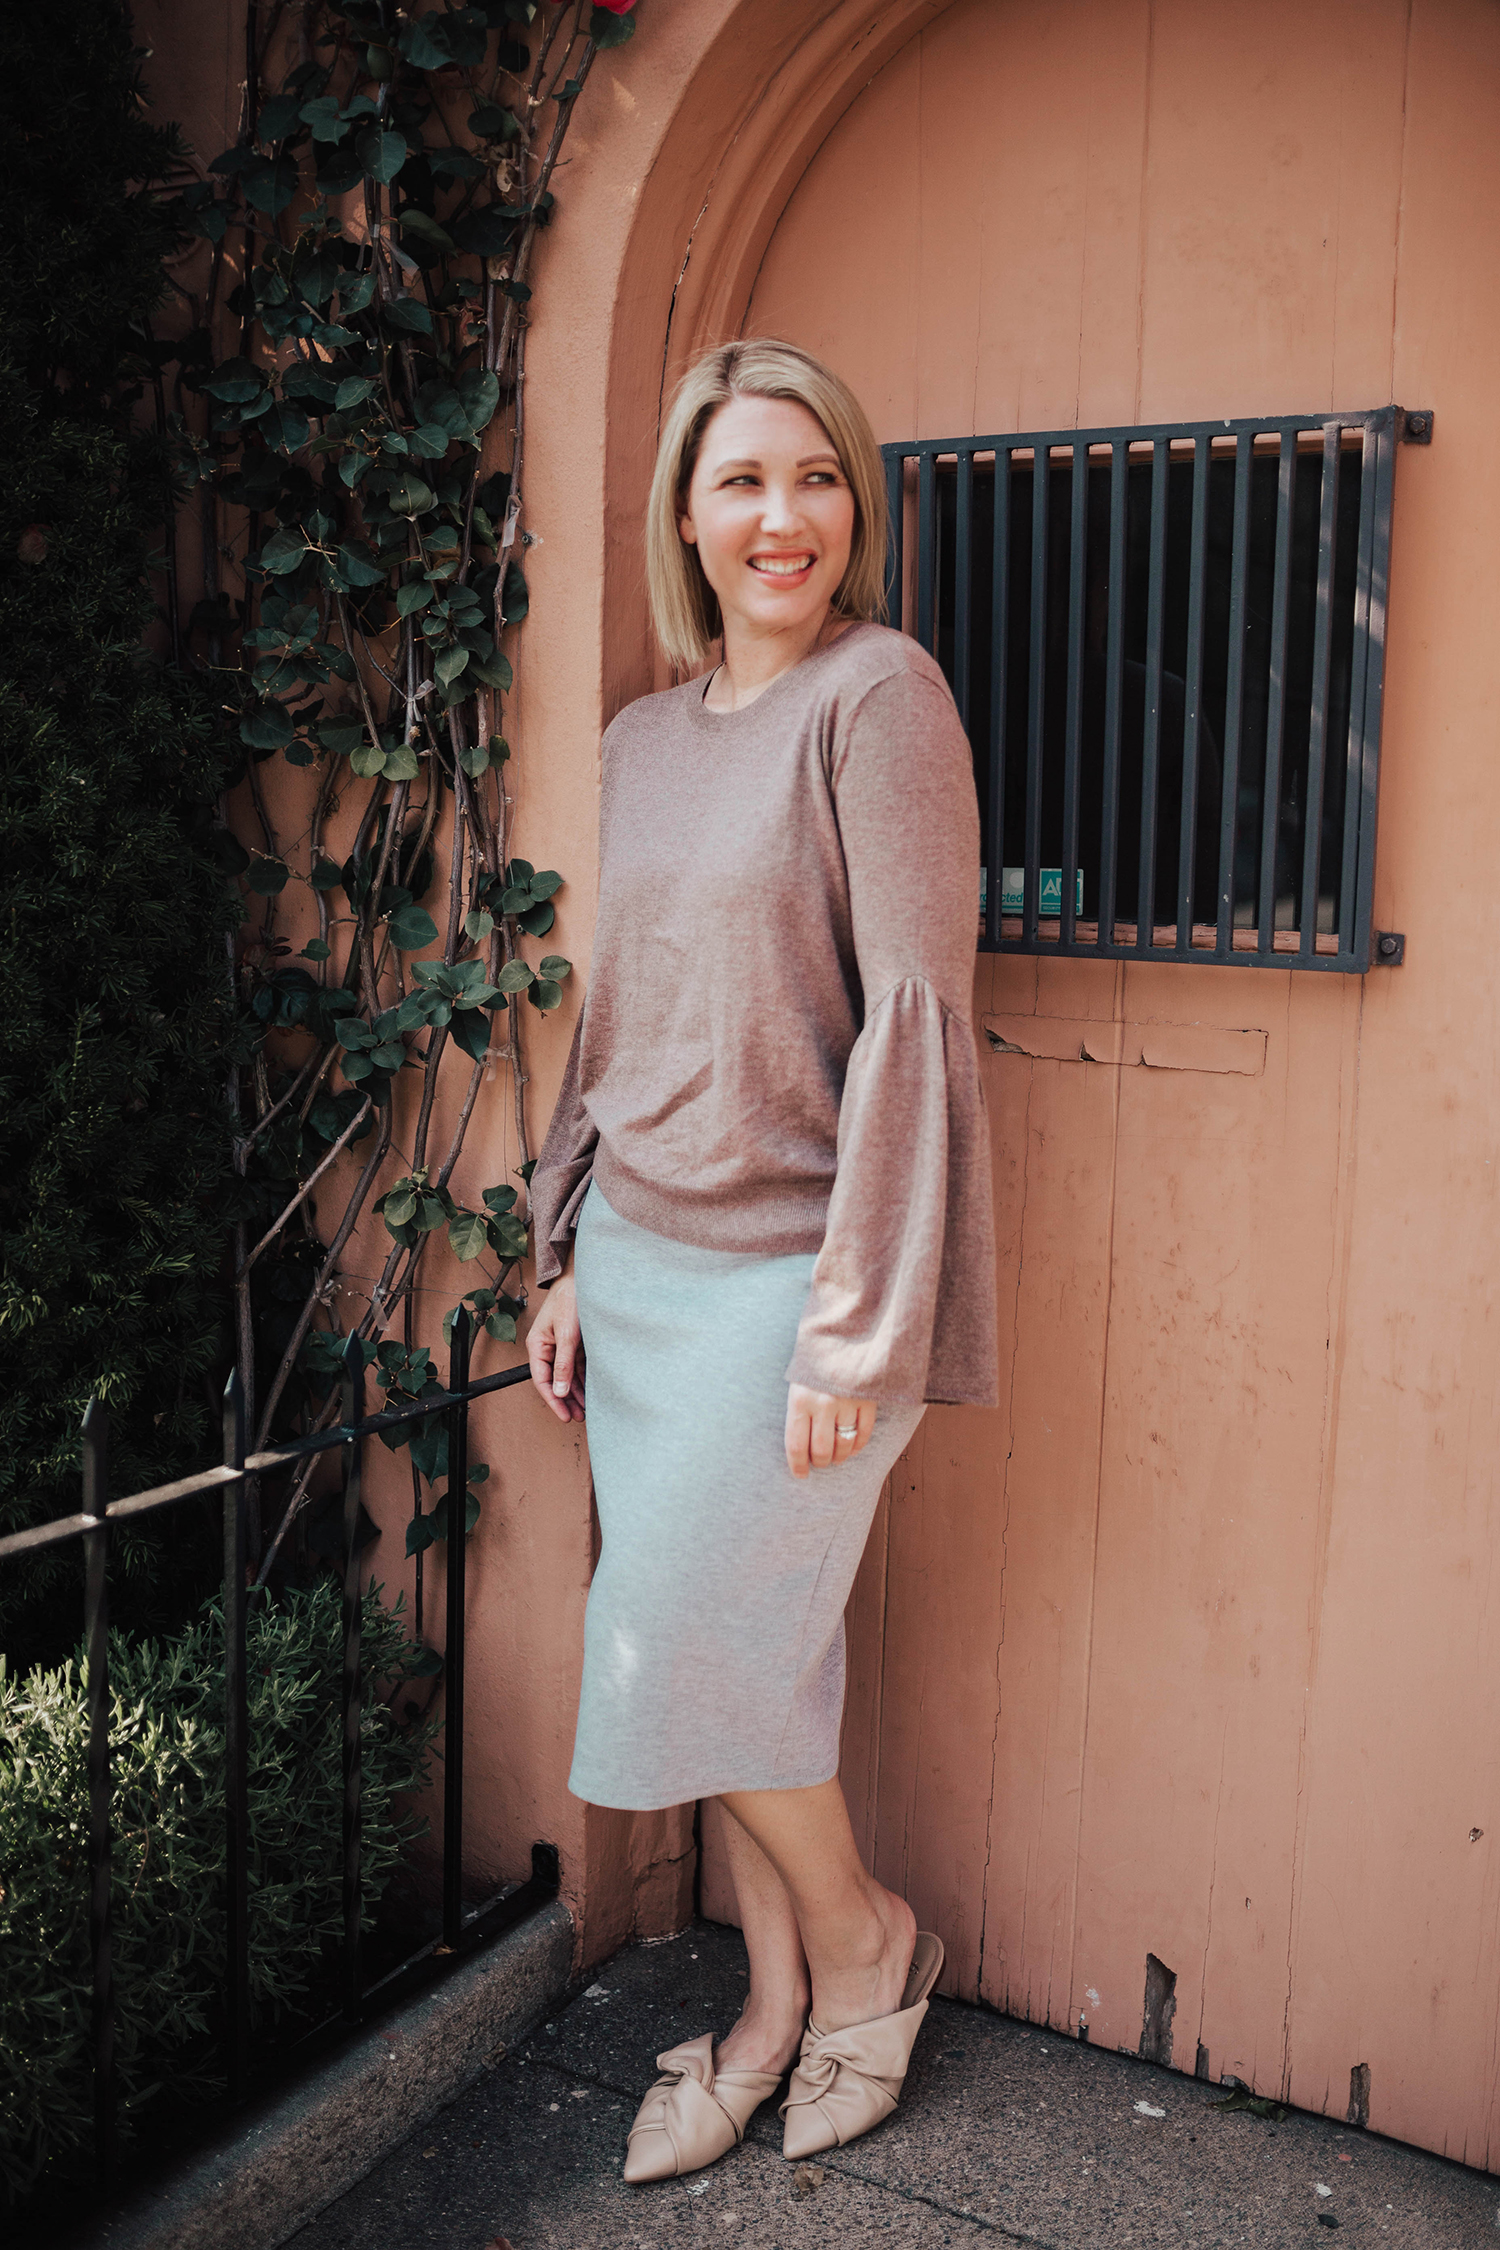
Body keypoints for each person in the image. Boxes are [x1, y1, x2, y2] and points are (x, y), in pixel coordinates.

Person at [525, 338, 998, 2182]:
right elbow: (615, 1017)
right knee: (736, 1669)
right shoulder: (644, 737)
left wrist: (854, 1329)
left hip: (801, 1283)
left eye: (814, 477)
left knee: (689, 1648)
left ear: (853, 503)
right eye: (741, 482)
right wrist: (561, 1243)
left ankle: (869, 1945)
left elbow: (917, 1022)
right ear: (687, 517)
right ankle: (779, 2006)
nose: (780, 516)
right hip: (639, 1274)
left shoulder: (880, 699)